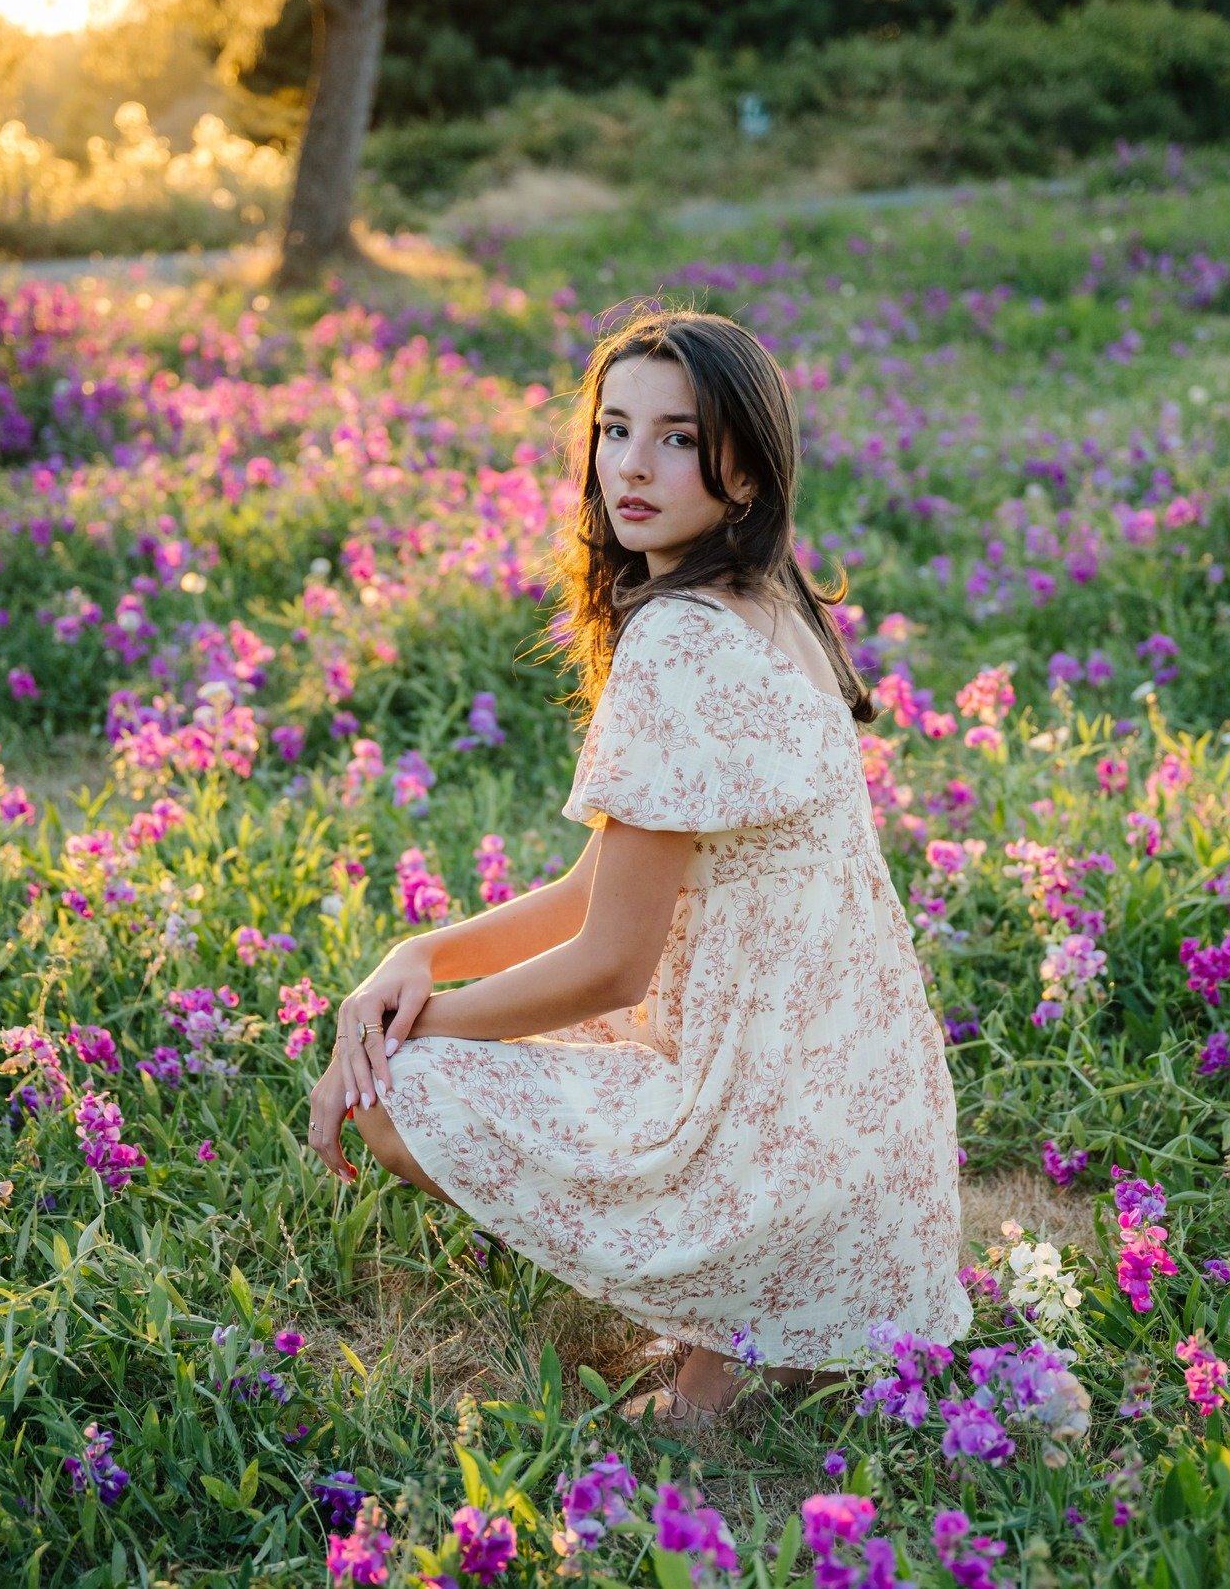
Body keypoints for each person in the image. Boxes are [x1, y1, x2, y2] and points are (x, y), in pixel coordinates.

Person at [305, 305, 973, 1433]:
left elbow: (611, 963)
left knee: (399, 1092)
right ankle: (755, 1328)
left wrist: (404, 1032)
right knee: (449, 1046)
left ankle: (731, 1328)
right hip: (866, 1130)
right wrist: (419, 953)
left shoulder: (678, 640)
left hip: (762, 1124)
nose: (631, 466)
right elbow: (596, 889)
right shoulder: (772, 601)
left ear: (746, 471)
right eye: (615, 430)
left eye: (677, 438)